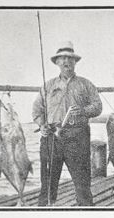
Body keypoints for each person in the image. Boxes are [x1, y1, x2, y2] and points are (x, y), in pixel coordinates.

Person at [32, 41, 103, 206]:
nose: (66, 62)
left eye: (70, 59)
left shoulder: (85, 84)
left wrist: (84, 110)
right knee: (48, 187)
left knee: (82, 185)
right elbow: (37, 111)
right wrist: (42, 125)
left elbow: (97, 106)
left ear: (75, 62)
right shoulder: (48, 86)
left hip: (77, 137)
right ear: (57, 62)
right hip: (51, 138)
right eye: (62, 59)